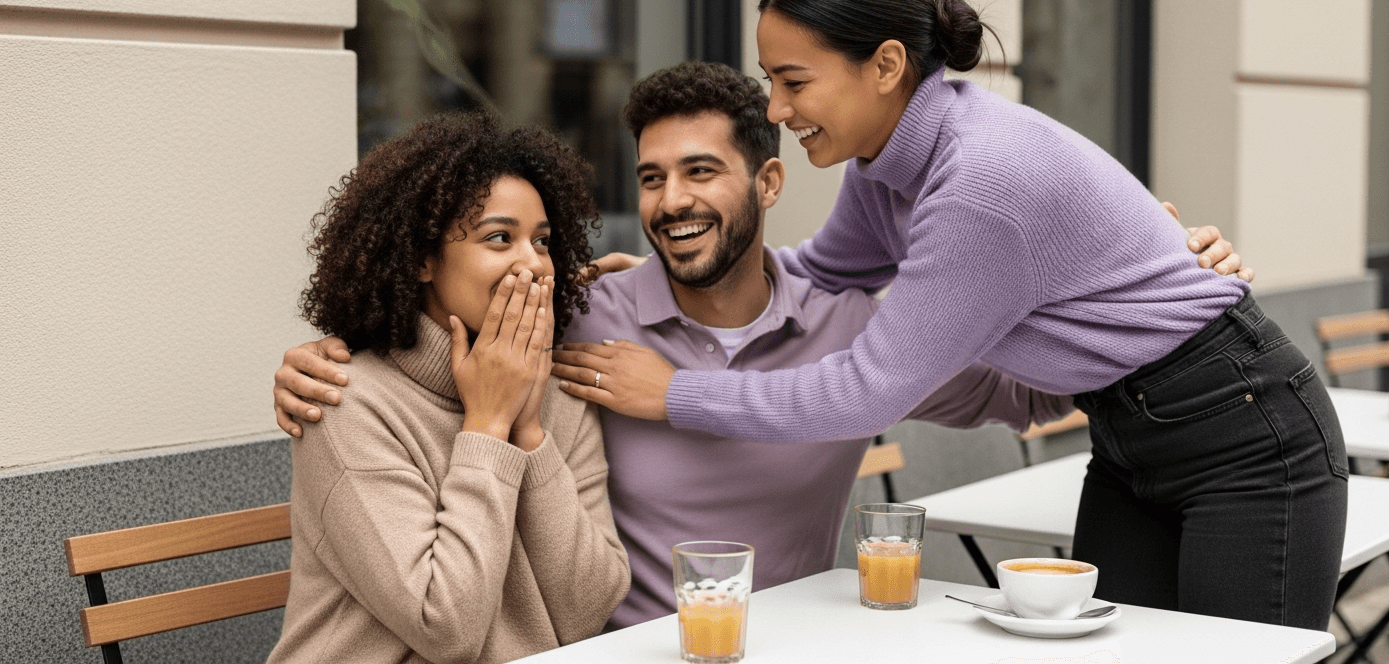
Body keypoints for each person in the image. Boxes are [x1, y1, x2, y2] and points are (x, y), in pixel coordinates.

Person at [272, 62, 1248, 629]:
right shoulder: (577, 319)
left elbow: (1039, 395)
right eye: (650, 179)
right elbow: (434, 340)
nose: (671, 201)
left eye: (701, 170)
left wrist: (1146, 281)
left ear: (769, 186)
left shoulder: (857, 327)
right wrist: (321, 359)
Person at [551, 0, 1348, 632]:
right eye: (770, 80)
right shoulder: (886, 163)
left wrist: (676, 393)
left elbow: (866, 393)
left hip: (1242, 434)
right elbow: (820, 272)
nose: (777, 106)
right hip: (1126, 426)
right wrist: (673, 269)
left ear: (887, 66)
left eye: (794, 80)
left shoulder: (975, 184)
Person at [267, 112, 628, 664]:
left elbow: (588, 611)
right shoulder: (344, 403)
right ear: (421, 260)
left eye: (544, 241)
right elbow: (445, 628)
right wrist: (487, 425)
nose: (533, 264)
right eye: (499, 238)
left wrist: (528, 432)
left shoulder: (559, 394)